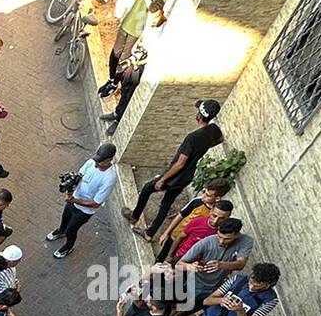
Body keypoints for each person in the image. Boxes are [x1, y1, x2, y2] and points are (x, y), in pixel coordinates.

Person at [124, 99, 223, 238]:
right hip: (187, 176)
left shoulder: (192, 138)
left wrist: (163, 179)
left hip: (176, 176)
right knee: (166, 203)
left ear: (199, 116)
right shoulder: (213, 130)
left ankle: (135, 216)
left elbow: (180, 163)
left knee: (147, 188)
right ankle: (149, 233)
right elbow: (220, 140)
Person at [47, 143, 118, 258]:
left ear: (109, 160)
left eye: (100, 161)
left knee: (71, 230)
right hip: (73, 200)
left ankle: (68, 247)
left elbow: (96, 203)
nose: (96, 163)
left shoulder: (109, 178)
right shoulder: (91, 162)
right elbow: (79, 176)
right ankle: (61, 231)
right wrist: (70, 185)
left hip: (84, 211)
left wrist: (74, 200)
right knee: (65, 218)